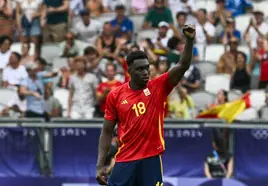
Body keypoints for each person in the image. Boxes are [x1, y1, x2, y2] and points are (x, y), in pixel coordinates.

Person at [96, 24, 195, 186]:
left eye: (147, 68)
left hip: (151, 158)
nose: (145, 72)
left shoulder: (158, 87)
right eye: (140, 69)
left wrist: (189, 41)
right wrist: (100, 165)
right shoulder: (115, 95)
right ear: (129, 71)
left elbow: (182, 65)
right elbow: (106, 131)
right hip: (125, 159)